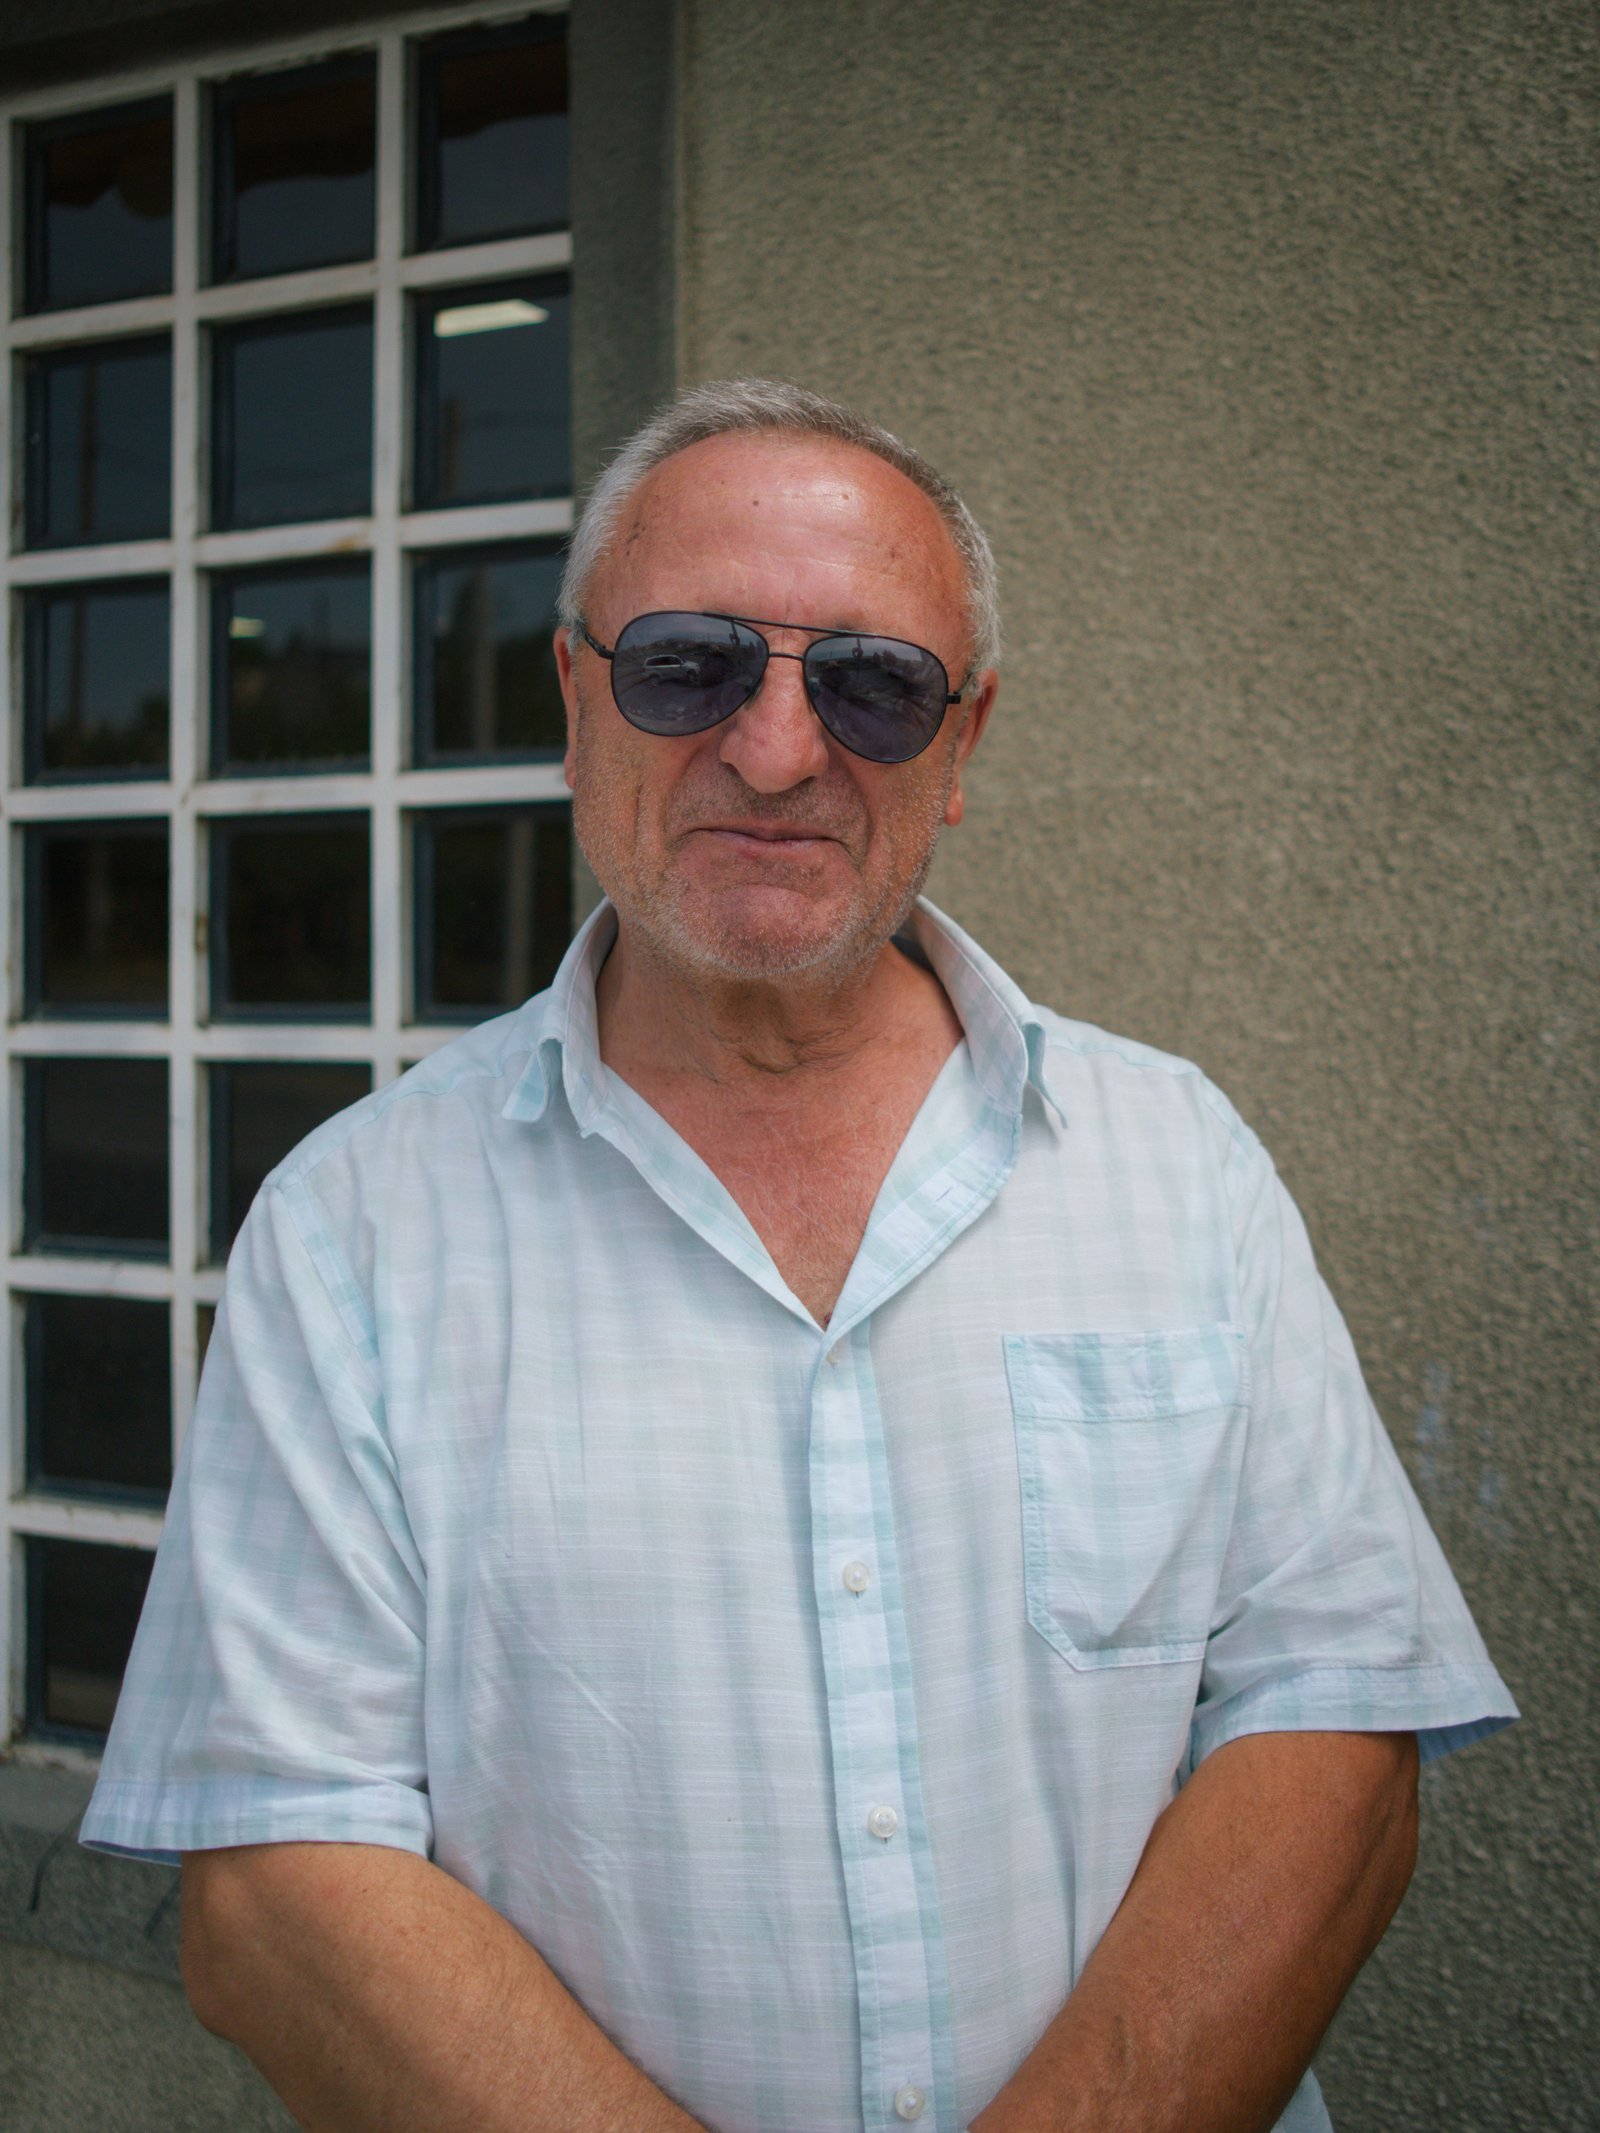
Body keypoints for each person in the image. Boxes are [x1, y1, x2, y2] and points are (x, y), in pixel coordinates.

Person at [84, 378, 1516, 2133]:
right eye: (689, 664)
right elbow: (274, 1875)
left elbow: (1336, 1729)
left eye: (872, 684)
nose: (776, 749)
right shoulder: (352, 1229)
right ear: (574, 698)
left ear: (964, 743)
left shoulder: (1178, 1162)